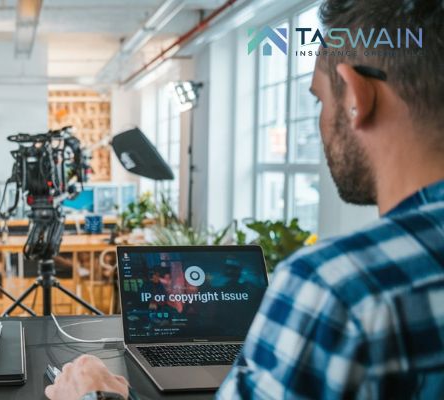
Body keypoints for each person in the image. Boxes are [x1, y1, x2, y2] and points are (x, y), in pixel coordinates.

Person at [44, 0, 444, 398]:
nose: (321, 120)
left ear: (357, 96)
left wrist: (90, 396)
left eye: (319, 100)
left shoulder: (336, 286)